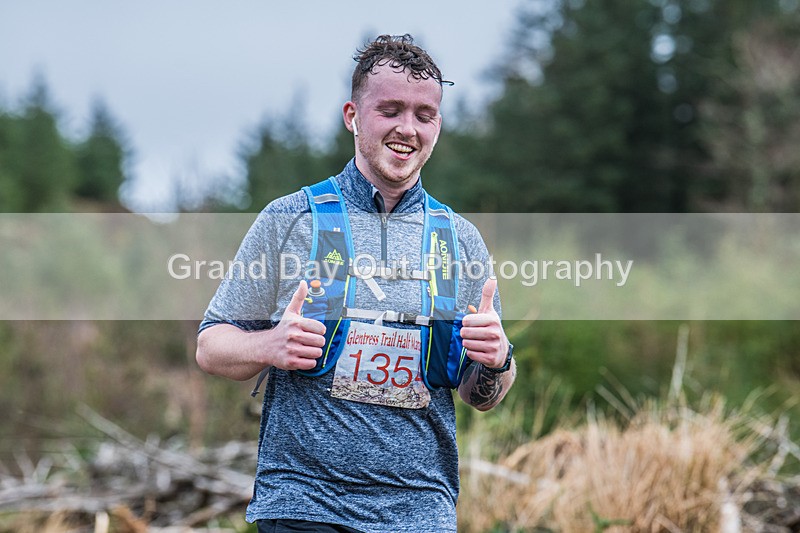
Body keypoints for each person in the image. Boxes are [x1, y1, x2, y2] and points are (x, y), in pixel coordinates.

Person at [196, 34, 516, 533]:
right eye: (389, 110)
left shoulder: (461, 240)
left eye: (423, 115)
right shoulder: (290, 219)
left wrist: (497, 360)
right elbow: (211, 347)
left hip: (421, 509)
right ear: (352, 115)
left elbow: (483, 396)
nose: (406, 129)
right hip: (304, 503)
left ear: (438, 125)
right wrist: (270, 344)